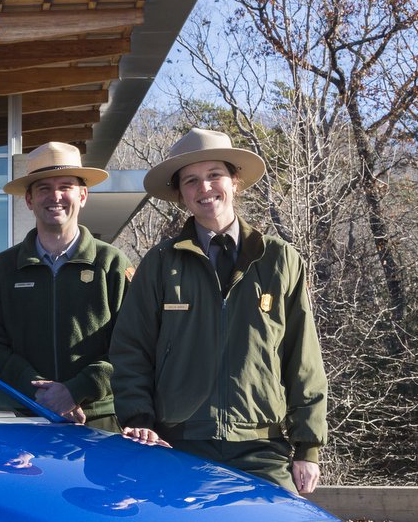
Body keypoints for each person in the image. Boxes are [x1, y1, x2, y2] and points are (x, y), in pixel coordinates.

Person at [110, 128, 328, 494]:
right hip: (179, 444)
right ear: (180, 194)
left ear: (235, 182)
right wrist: (139, 419)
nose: (205, 188)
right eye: (191, 180)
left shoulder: (279, 259)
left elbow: (302, 358)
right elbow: (131, 348)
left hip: (261, 444)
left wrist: (308, 446)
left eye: (214, 175)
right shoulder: (161, 262)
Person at [0, 142, 133, 429]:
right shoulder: (1, 269)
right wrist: (37, 390)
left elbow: (133, 347)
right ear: (29, 200)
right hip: (21, 417)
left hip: (99, 418)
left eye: (65, 186)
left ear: (83, 195)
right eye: (43, 188)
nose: (55, 196)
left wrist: (76, 390)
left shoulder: (112, 264)